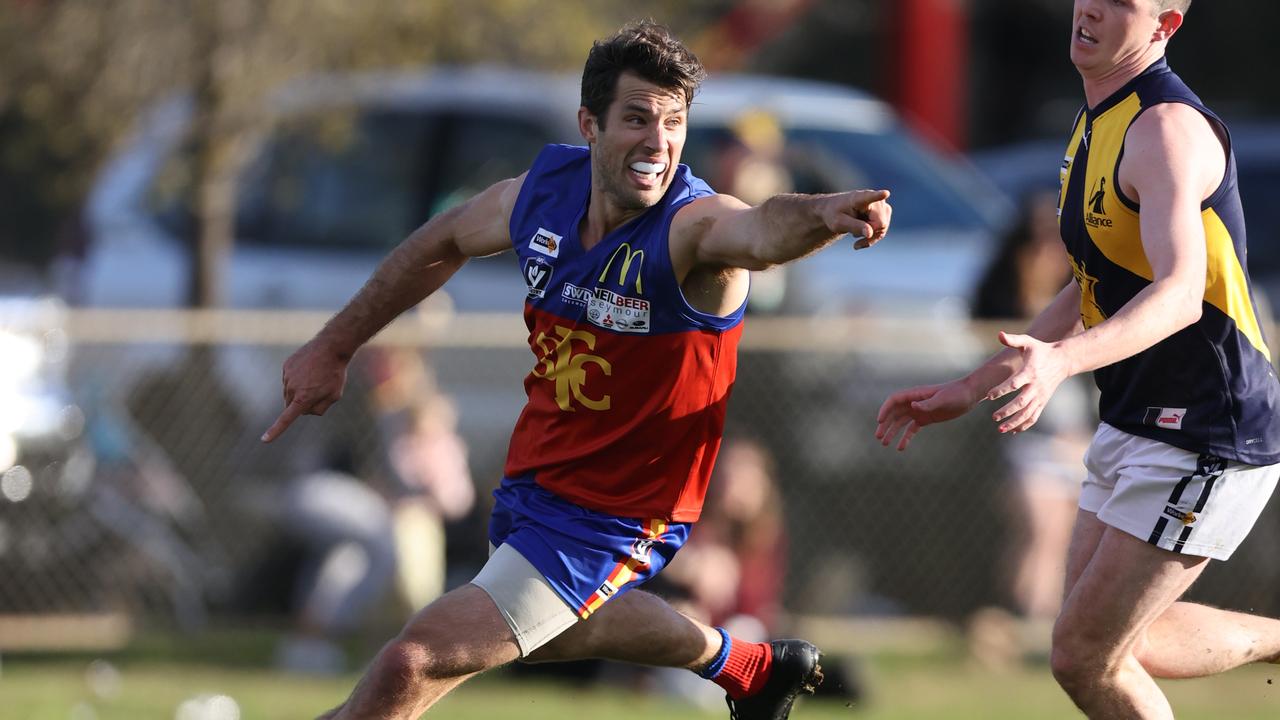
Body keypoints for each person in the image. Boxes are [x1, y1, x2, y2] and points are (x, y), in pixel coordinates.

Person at [261, 20, 892, 720]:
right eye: (637, 119)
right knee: (557, 633)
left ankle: (747, 666)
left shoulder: (691, 227)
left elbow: (761, 228)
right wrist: (335, 346)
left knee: (410, 663)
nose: (658, 142)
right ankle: (750, 667)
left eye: (675, 122)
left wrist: (822, 213)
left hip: (619, 513)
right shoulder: (544, 193)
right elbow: (443, 238)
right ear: (589, 124)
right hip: (539, 483)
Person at [876, 2, 1280, 717]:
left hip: (1208, 430)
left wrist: (1061, 363)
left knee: (1083, 655)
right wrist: (975, 386)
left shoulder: (1163, 129)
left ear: (1164, 27)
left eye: (1122, 2)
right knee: (1107, 642)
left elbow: (1182, 292)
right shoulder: (1096, 117)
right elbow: (1088, 282)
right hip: (1137, 420)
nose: (1090, 7)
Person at [967, 191, 1094, 668]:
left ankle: (1051, 632)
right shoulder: (1005, 291)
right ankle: (1027, 628)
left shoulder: (1086, 286)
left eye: (1055, 238)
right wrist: (1031, 279)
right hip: (1028, 438)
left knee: (1067, 538)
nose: (1047, 248)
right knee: (1037, 534)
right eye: (1037, 237)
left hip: (1076, 437)